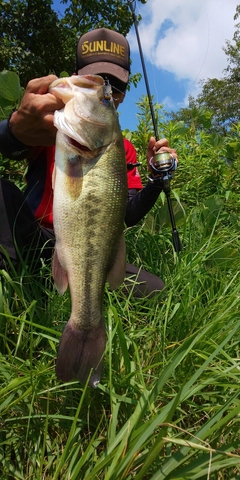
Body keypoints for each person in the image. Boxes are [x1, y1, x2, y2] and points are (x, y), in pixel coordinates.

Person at [0, 28, 178, 298]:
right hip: (35, 239)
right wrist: (14, 130)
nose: (103, 89)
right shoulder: (50, 123)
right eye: (94, 79)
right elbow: (9, 149)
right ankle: (15, 287)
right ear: (75, 79)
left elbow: (128, 215)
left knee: (158, 292)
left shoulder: (125, 150)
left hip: (93, 251)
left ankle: (82, 293)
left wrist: (155, 179)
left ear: (123, 94)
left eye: (113, 86)